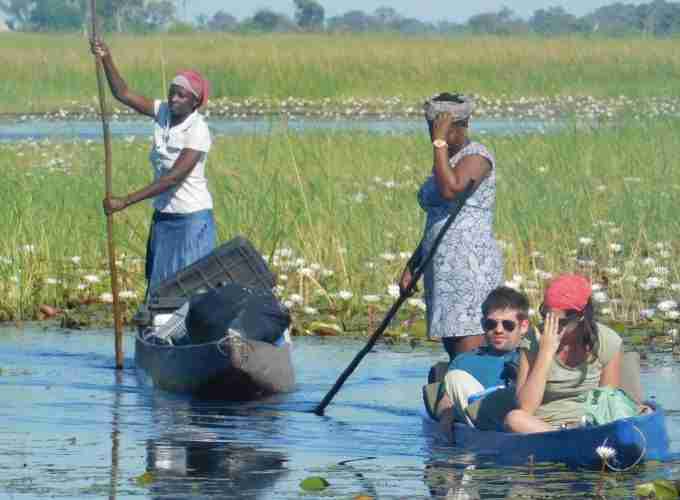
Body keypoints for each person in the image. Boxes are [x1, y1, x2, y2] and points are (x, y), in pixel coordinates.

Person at [90, 39, 216, 290]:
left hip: (192, 220)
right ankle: (158, 328)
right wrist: (106, 57)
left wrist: (124, 201)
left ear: (195, 102)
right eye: (172, 91)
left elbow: (172, 178)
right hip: (164, 218)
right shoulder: (163, 111)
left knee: (188, 287)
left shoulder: (198, 130)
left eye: (182, 95)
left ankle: (184, 328)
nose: (174, 98)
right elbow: (122, 93)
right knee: (158, 286)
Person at [400, 93, 503, 361]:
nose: (433, 134)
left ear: (461, 124)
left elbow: (450, 190)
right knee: (453, 346)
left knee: (469, 349)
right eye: (431, 129)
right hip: (441, 269)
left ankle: (475, 397)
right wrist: (414, 264)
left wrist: (439, 143)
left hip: (468, 269)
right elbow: (437, 219)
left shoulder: (477, 156)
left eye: (440, 128)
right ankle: (457, 397)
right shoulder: (446, 162)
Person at [504, 274, 623, 433]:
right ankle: (564, 439)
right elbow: (525, 408)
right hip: (544, 427)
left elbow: (608, 403)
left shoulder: (607, 340)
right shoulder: (533, 340)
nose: (550, 326)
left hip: (589, 426)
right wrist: (545, 353)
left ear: (580, 317)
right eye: (546, 317)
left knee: (642, 410)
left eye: (559, 322)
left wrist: (585, 425)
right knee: (514, 419)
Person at [431, 287, 530, 432]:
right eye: (491, 324)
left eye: (508, 325)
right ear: (483, 324)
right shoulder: (464, 361)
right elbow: (446, 401)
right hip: (483, 422)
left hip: (519, 420)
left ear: (523, 326)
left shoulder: (531, 357)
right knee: (455, 378)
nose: (498, 330)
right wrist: (447, 418)